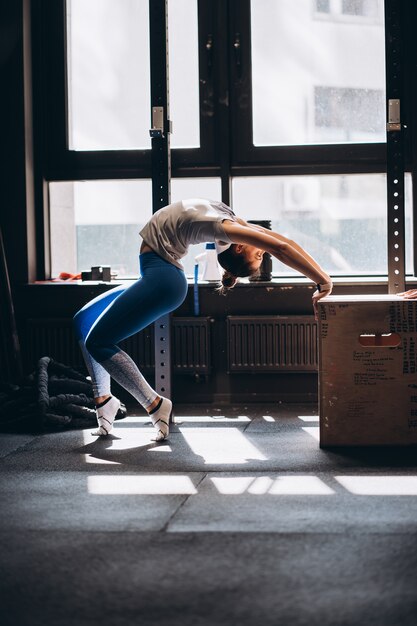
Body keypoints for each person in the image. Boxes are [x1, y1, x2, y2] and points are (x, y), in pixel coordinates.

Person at [73, 198, 332, 441]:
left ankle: (154, 404)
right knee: (84, 319)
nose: (263, 252)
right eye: (261, 255)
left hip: (163, 279)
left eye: (259, 256)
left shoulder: (225, 229)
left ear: (239, 247)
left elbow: (280, 247)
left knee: (99, 342)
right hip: (156, 274)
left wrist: (322, 280)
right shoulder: (231, 223)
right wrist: (322, 276)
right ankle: (104, 402)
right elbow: (281, 241)